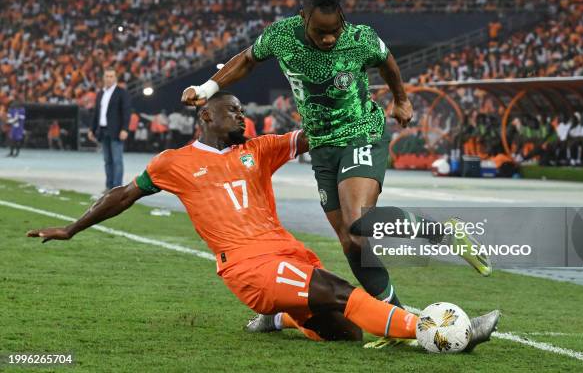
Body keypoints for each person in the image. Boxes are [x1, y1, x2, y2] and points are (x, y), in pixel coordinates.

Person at [26, 92, 499, 348]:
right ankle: (439, 333)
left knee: (347, 332)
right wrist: (71, 227)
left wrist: (362, 105)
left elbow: (315, 135)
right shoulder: (174, 162)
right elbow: (122, 195)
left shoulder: (260, 150)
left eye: (243, 113)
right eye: (232, 112)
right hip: (248, 267)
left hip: (286, 252)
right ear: (205, 115)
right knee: (345, 292)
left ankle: (277, 322)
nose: (242, 118)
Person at [181, 0, 491, 320]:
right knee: (351, 241)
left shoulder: (360, 38)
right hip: (322, 147)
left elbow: (387, 61)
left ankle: (446, 232)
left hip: (361, 132)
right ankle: (396, 317)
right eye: (320, 32)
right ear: (304, 17)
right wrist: (206, 90)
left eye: (334, 30)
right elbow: (248, 59)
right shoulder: (282, 36)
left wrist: (401, 99)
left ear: (342, 18)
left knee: (359, 220)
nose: (329, 39)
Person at [88, 68, 132, 191]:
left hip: (116, 131)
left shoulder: (122, 93)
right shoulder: (100, 93)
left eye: (111, 76)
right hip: (103, 130)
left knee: (117, 160)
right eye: (107, 76)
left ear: (115, 78)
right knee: (107, 160)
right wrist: (92, 129)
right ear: (103, 78)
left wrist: (125, 129)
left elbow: (126, 112)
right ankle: (109, 186)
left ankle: (117, 188)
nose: (109, 78)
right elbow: (96, 113)